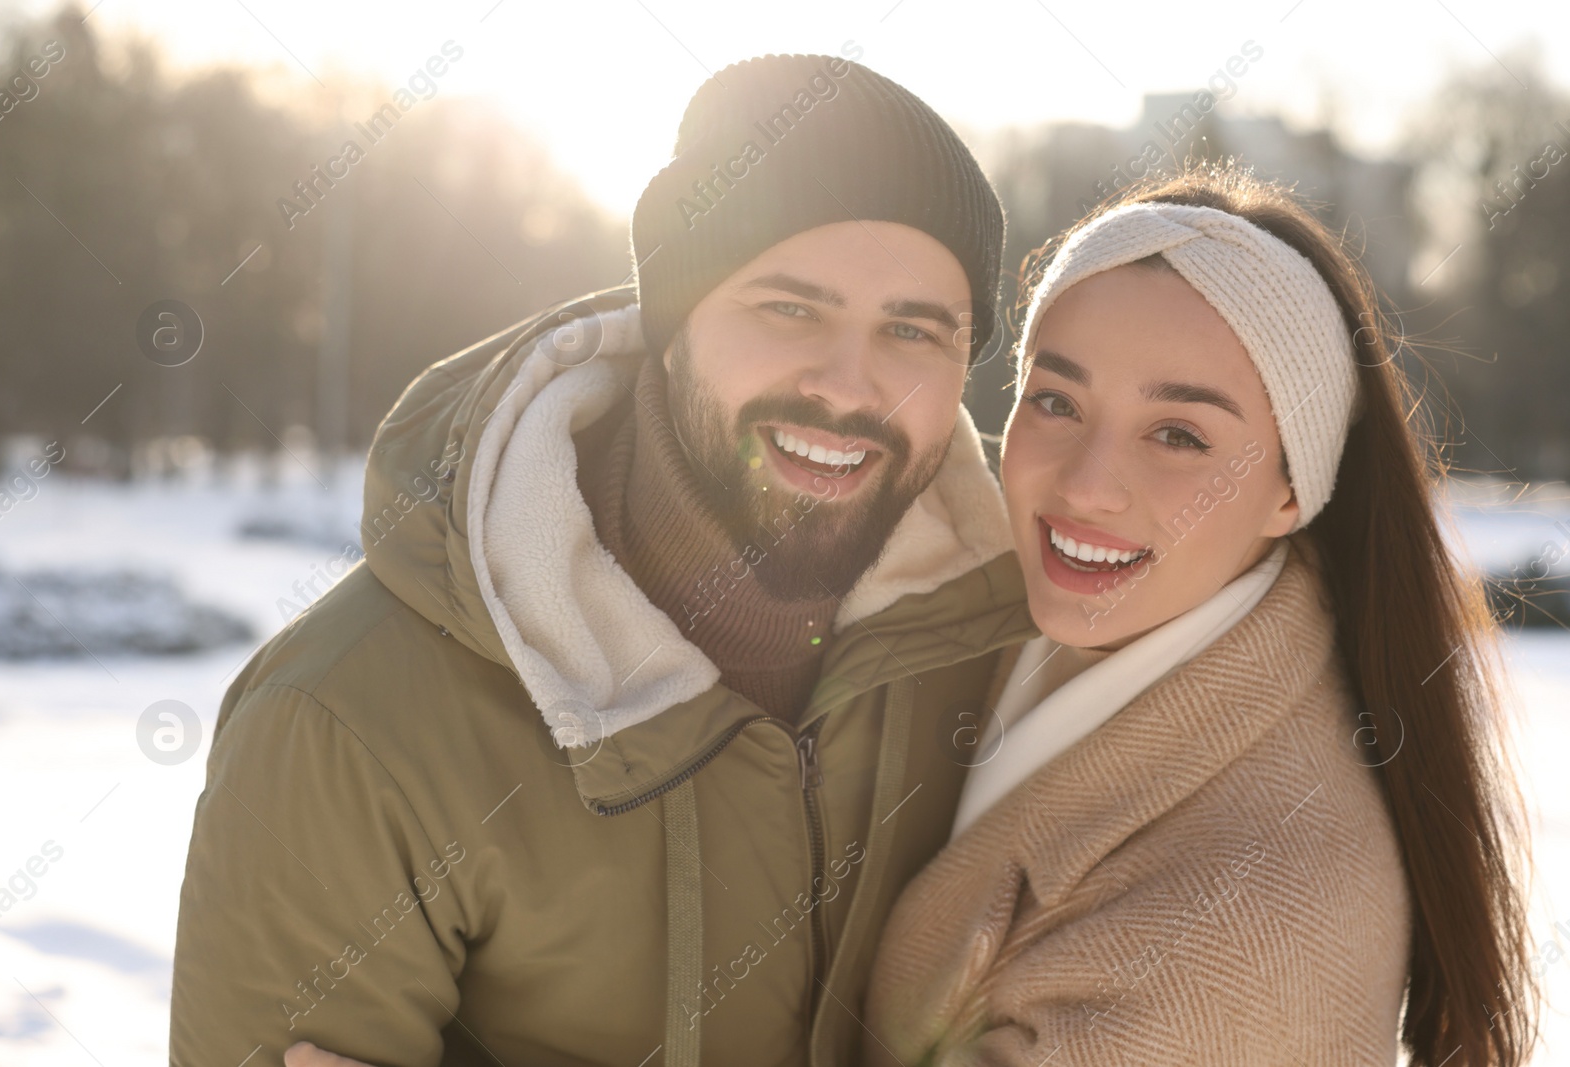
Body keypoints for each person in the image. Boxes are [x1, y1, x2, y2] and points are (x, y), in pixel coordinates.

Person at [169, 54, 1037, 1067]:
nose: (852, 388)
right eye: (788, 308)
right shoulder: (351, 723)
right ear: (670, 327)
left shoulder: (1015, 653)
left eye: (913, 329)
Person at [861, 163, 1539, 1066]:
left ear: (1293, 490)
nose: (1086, 486)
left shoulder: (1228, 954)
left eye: (1179, 435)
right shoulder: (1006, 604)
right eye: (1056, 400)